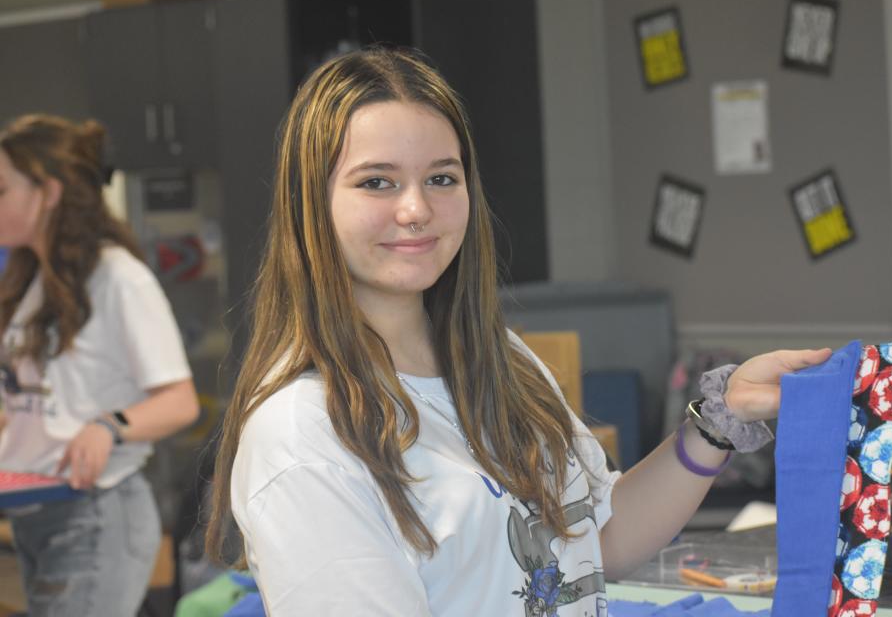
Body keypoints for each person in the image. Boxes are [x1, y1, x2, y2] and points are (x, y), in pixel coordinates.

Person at [206, 46, 830, 616]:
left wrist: (721, 418)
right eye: (377, 181)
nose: (416, 208)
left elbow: (599, 542)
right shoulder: (303, 433)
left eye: (442, 178)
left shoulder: (499, 359)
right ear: (310, 201)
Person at [0, 114, 200, 616]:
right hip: (34, 511)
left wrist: (108, 426)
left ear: (48, 192)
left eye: (2, 189)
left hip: (96, 513)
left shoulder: (118, 278)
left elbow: (180, 401)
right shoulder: (29, 282)